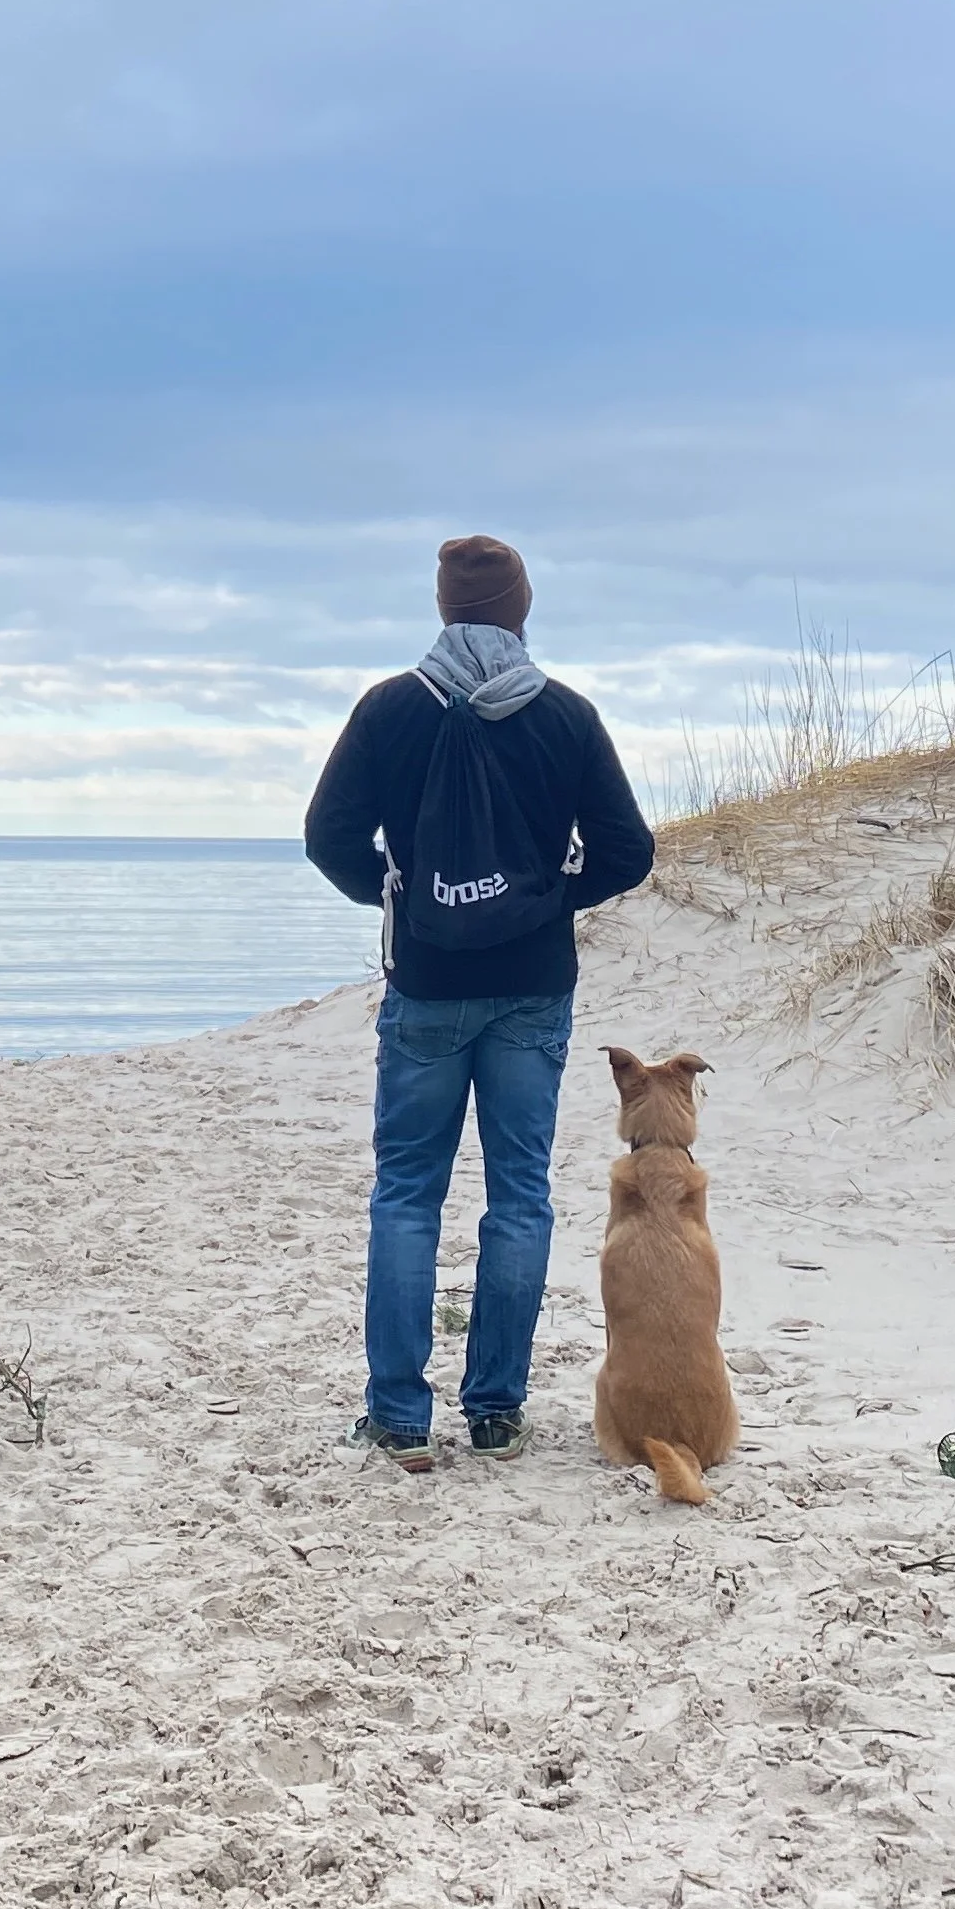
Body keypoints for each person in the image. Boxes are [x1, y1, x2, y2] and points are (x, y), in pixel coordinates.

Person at [304, 534, 655, 1467]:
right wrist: (546, 897)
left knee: (407, 1193)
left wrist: (396, 895)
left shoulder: (389, 711)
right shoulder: (567, 716)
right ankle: (496, 1411)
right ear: (521, 611)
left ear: (444, 611)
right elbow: (628, 851)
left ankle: (399, 1417)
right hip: (532, 988)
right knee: (519, 1196)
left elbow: (327, 836)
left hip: (425, 985)